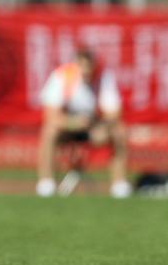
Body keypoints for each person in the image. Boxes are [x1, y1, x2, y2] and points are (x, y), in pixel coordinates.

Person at [36, 49, 131, 199]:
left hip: (93, 128)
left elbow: (114, 113)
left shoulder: (103, 77)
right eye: (82, 67)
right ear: (75, 65)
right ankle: (46, 183)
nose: (86, 72)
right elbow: (51, 116)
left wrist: (102, 125)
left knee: (119, 131)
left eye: (89, 68)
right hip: (67, 128)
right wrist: (74, 123)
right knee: (49, 131)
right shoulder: (62, 76)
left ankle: (119, 185)